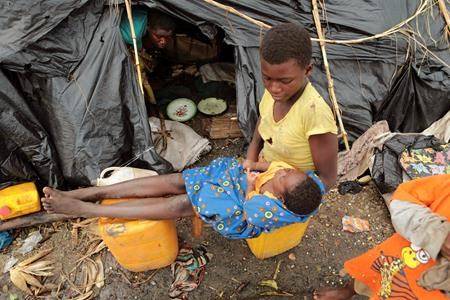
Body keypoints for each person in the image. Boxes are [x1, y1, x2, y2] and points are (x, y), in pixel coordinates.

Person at [41, 157, 325, 239]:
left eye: (284, 176)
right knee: (180, 180)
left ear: (280, 197)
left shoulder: (269, 207)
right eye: (289, 171)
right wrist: (250, 167)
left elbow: (249, 210)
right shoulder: (290, 175)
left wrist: (251, 186)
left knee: (183, 204)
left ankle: (83, 208)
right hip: (235, 182)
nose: (285, 170)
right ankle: (90, 192)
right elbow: (264, 165)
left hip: (241, 210)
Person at [314, 174, 450, 300]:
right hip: (391, 262)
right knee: (369, 276)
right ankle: (349, 291)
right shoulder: (446, 186)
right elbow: (402, 199)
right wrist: (437, 233)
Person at [244, 23, 338, 189]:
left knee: (201, 203)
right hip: (261, 170)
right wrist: (250, 161)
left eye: (285, 81)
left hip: (287, 190)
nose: (274, 88)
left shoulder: (314, 113)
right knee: (189, 184)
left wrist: (278, 197)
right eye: (266, 78)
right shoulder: (273, 94)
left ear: (308, 70)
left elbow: (327, 180)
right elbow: (263, 123)